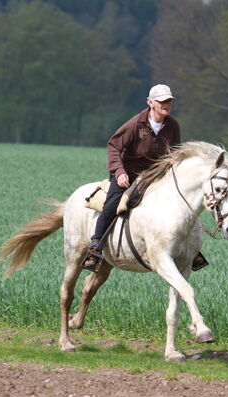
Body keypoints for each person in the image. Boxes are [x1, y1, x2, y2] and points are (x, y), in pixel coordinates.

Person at [82, 84, 208, 272]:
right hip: (128, 174)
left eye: (169, 101)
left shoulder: (173, 125)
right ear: (150, 103)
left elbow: (175, 150)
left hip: (156, 175)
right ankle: (95, 246)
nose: (166, 104)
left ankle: (191, 249)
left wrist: (173, 161)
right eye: (162, 101)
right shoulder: (135, 124)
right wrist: (119, 172)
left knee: (182, 200)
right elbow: (113, 146)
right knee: (113, 202)